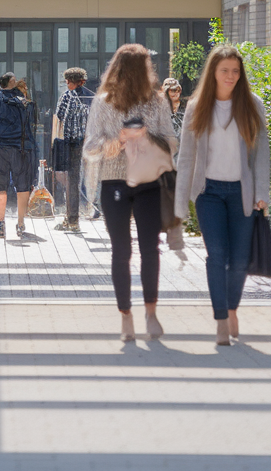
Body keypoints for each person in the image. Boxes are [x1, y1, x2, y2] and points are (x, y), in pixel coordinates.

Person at [174, 45, 269, 347]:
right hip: (209, 192)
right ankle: (220, 320)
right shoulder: (197, 105)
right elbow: (187, 156)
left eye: (235, 71)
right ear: (213, 72)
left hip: (242, 192)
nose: (230, 76)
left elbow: (262, 155)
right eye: (224, 70)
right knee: (217, 256)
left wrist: (262, 193)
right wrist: (180, 203)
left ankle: (232, 308)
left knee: (240, 260)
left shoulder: (253, 105)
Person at [82, 45, 176, 341]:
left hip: (149, 181)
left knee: (151, 249)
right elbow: (90, 148)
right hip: (115, 182)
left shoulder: (157, 101)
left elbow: (173, 142)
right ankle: (126, 316)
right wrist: (119, 138)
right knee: (121, 251)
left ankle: (150, 312)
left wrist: (147, 136)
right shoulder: (103, 102)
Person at [0, 72, 36, 240]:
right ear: (12, 83)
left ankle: (1, 223)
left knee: (0, 186)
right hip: (20, 148)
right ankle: (20, 223)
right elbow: (30, 123)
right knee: (22, 186)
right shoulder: (23, 102)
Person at [52, 67, 95, 232]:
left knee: (71, 180)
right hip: (88, 142)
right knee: (82, 179)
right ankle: (74, 217)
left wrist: (55, 141)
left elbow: (59, 117)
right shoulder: (91, 97)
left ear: (72, 81)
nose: (66, 84)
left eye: (67, 81)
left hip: (70, 142)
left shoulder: (67, 96)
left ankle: (72, 219)